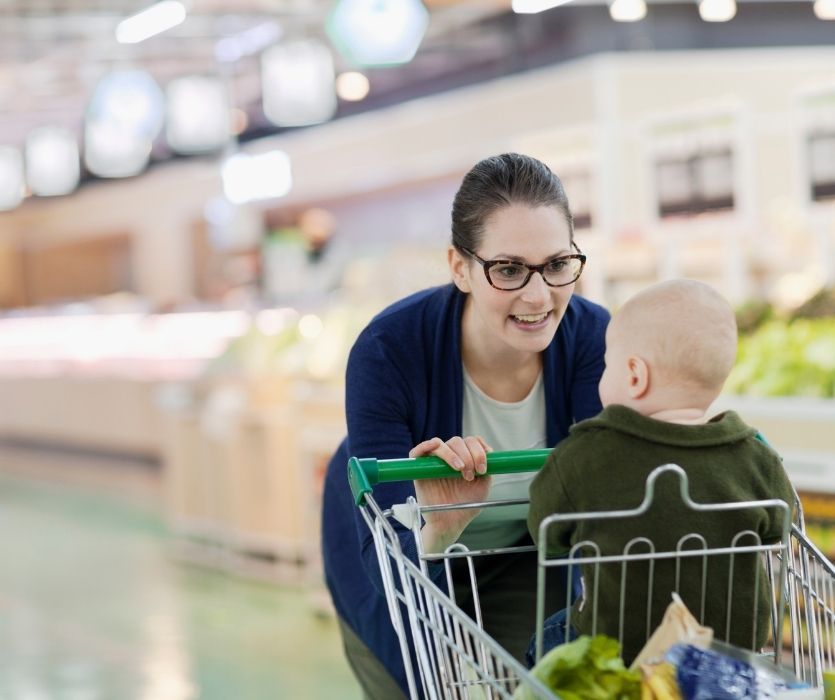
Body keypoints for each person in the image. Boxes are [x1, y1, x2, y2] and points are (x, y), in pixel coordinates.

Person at [320, 153, 610, 699]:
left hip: (525, 551)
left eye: (556, 264)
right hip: (399, 557)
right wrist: (439, 527)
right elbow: (386, 549)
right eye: (507, 269)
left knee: (541, 682)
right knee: (419, 683)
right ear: (460, 267)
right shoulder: (388, 352)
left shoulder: (594, 341)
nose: (538, 295)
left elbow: (609, 497)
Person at [526, 279, 795, 666]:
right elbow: (779, 527)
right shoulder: (754, 455)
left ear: (635, 375)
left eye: (607, 365)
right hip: (731, 656)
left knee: (548, 638)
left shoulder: (585, 454)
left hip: (618, 656)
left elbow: (546, 534)